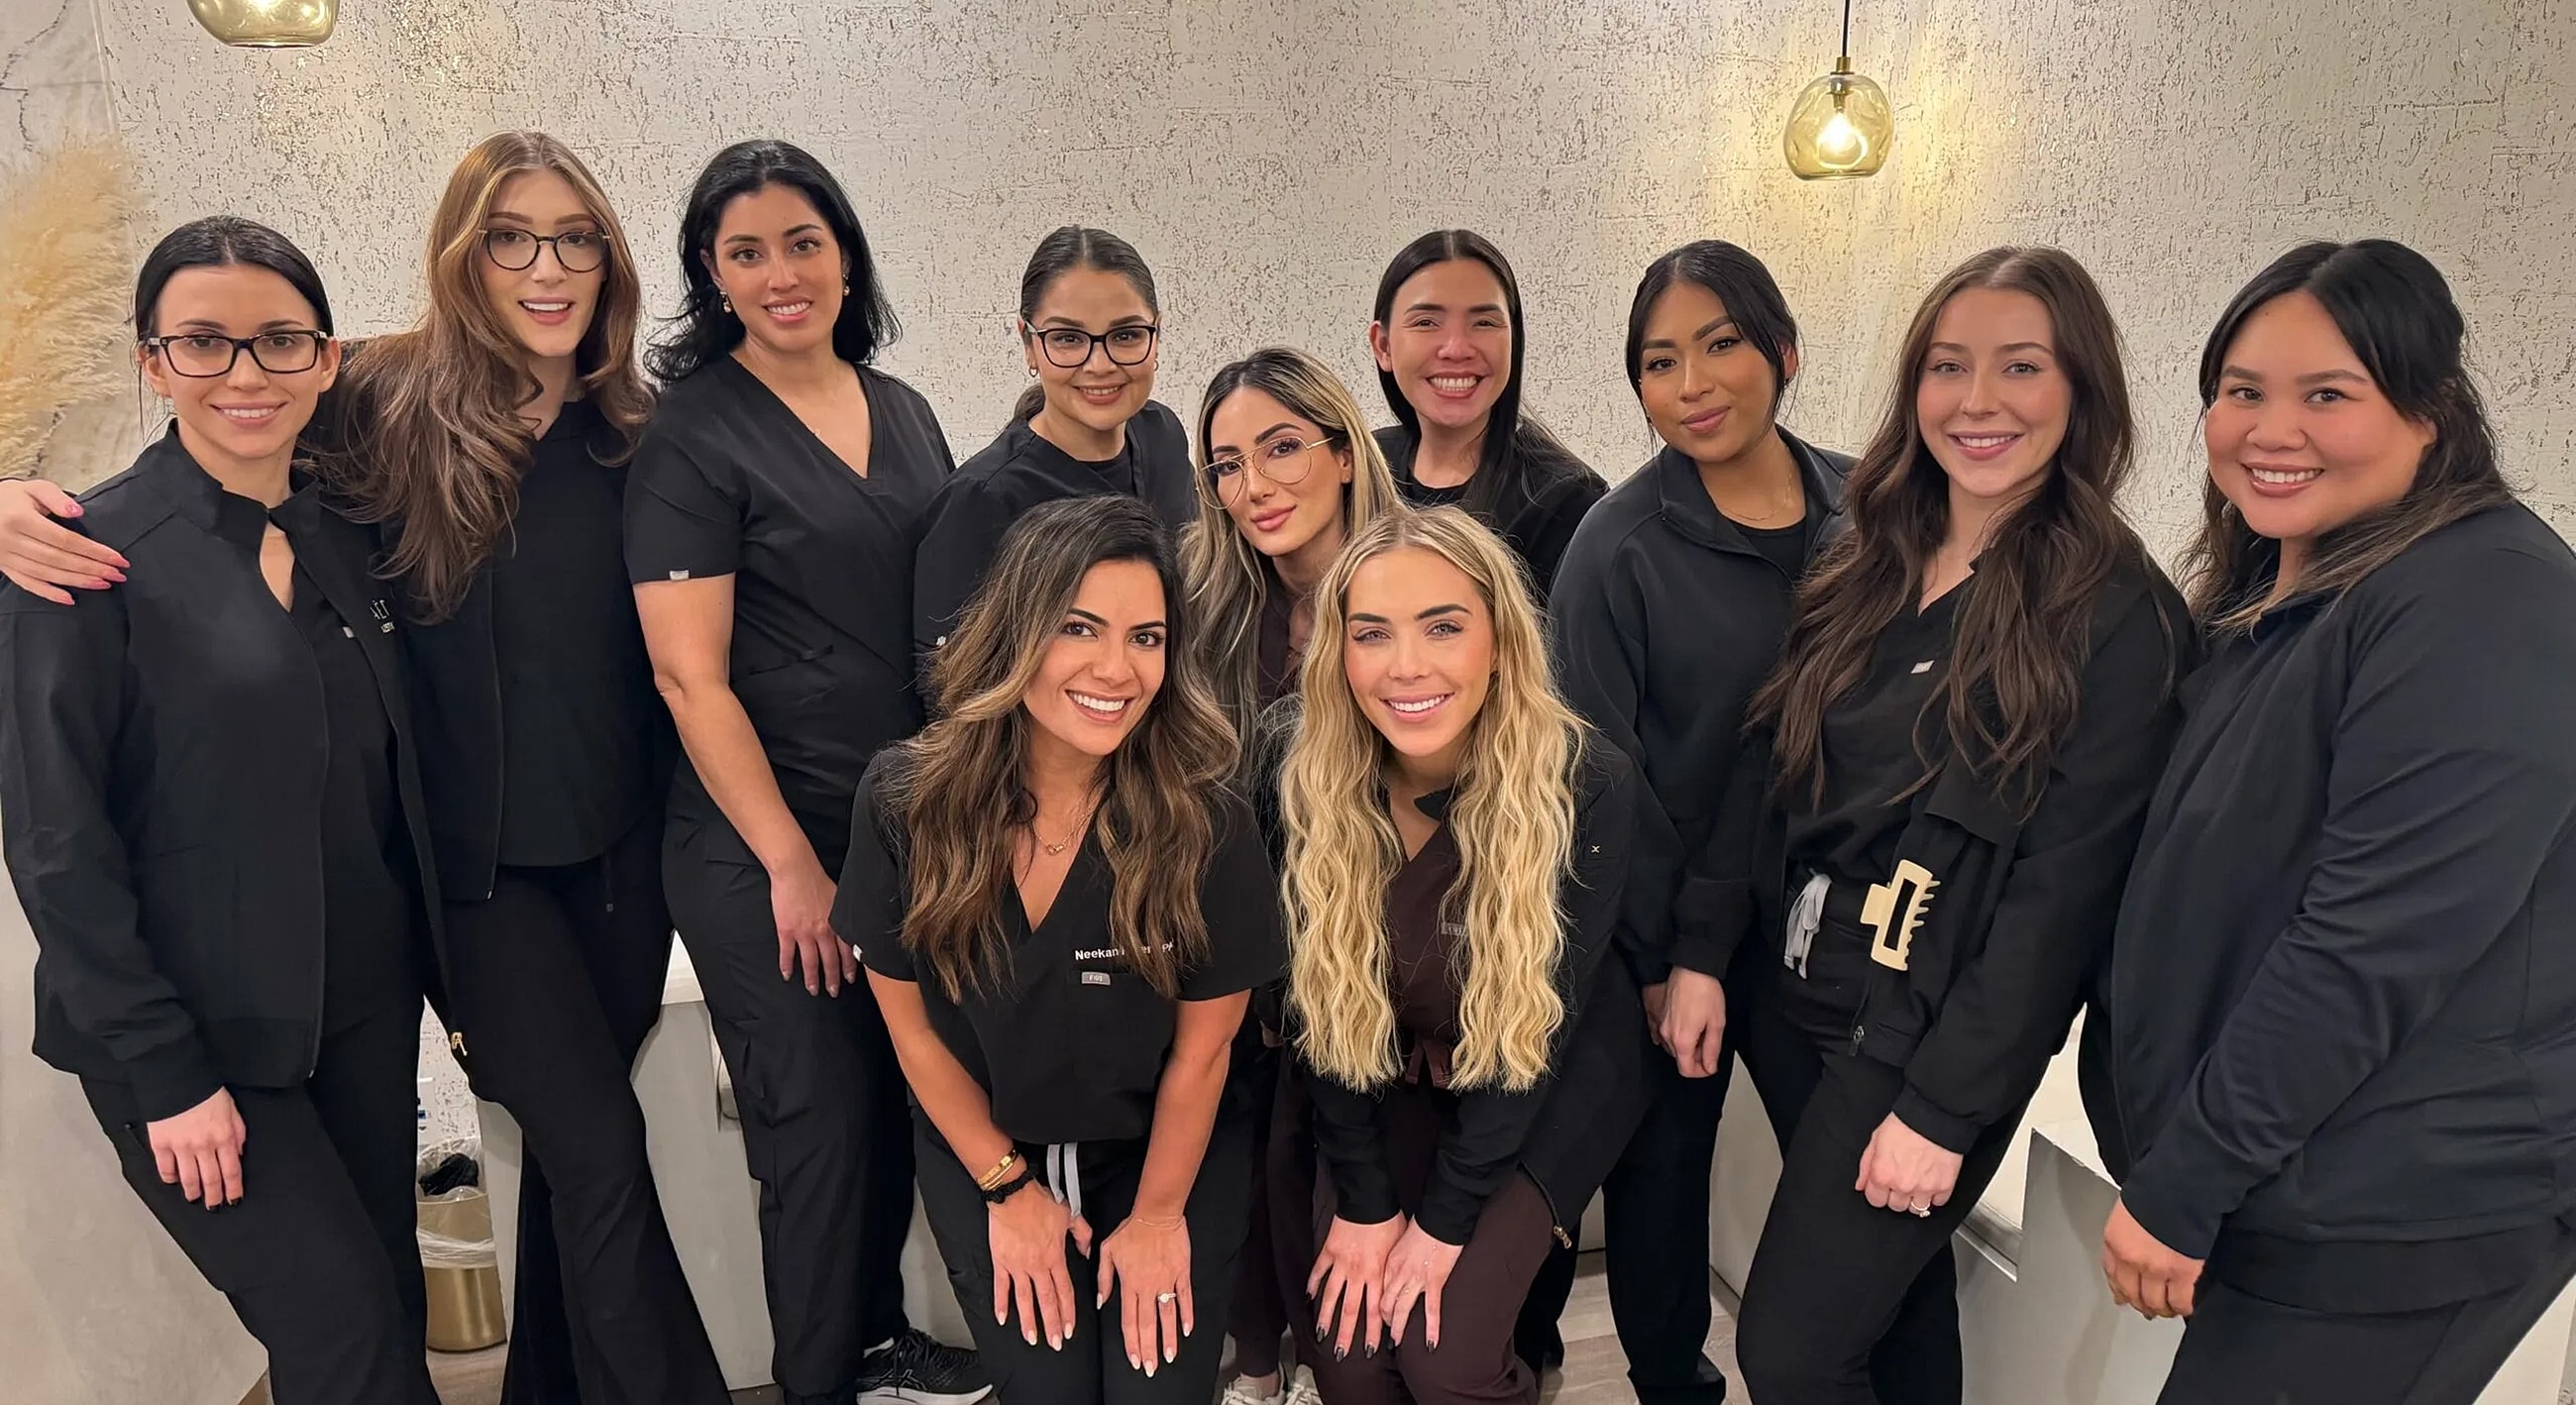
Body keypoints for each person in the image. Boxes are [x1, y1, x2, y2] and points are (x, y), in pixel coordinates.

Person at [0, 133, 730, 1404]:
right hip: (375, 940)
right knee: (524, 1210)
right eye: (510, 235)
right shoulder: (330, 432)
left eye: (575, 236)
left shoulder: (600, 442)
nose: (248, 371)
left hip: (508, 923)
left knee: (500, 1220)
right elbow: (58, 835)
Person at [2089, 239, 2576, 1405]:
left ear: (2428, 409)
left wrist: (2183, 1179)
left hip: (2394, 1212)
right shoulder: (2298, 585)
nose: (2269, 428)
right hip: (2300, 1179)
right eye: (2241, 391)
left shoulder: (2482, 597)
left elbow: (2372, 940)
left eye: (2326, 395)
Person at [1724, 247, 2192, 1405]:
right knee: (1889, 1311)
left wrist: (1936, 1109)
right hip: (1796, 996)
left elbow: (2056, 910)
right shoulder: (1869, 548)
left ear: (2079, 388)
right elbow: (1788, 778)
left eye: (2019, 367)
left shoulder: (2115, 615)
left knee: (1787, 1348)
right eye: (1947, 367)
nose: (1976, 402)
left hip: (1913, 1039)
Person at [0, 217, 442, 1404]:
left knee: (386, 1308)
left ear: (325, 359)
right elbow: (55, 845)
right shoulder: (81, 559)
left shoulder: (347, 530)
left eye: (277, 342)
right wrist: (165, 1075)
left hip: (354, 1010)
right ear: (153, 362)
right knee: (346, 1334)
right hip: (194, 1041)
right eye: (203, 343)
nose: (244, 375)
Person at [627, 140, 985, 1405]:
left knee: (895, 1095)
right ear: (710, 276)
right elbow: (689, 676)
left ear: (845, 254)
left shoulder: (901, 406)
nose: (780, 273)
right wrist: (791, 863)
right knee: (815, 1126)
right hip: (760, 846)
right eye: (744, 252)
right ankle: (819, 1379)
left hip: (900, 831)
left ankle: (879, 1335)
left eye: (802, 242)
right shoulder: (691, 436)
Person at [835, 494, 1284, 1404]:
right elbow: (914, 1034)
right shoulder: (906, 801)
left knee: (1153, 1392)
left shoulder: (1207, 819)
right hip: (995, 1148)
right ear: (1017, 629)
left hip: (1162, 1152)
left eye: (1147, 638)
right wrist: (1008, 1190)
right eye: (1080, 627)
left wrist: (1159, 1217)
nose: (1117, 669)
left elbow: (1204, 1054)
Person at [1547, 240, 1852, 1405]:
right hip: (1669, 939)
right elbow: (1597, 775)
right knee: (1661, 1179)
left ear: (1780, 349)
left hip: (1828, 929)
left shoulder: (1865, 504)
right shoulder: (1615, 548)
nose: (1691, 381)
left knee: (1843, 1179)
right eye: (1658, 359)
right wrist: (1667, 960)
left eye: (1719, 342)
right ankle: (1671, 1382)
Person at [1276, 506, 1648, 1405]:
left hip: (1541, 1081)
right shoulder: (1296, 770)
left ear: (1500, 640)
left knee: (1444, 1356)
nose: (1407, 666)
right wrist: (1367, 1205)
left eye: (1443, 625)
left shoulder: (1583, 783)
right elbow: (1319, 1021)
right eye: (1373, 634)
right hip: (1388, 1069)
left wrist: (1440, 1226)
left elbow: (1538, 1042)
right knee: (1354, 1357)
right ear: (1339, 654)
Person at [1177, 347, 1402, 1405]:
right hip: (1247, 944)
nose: (1253, 485)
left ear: (1343, 450)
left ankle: (1333, 1360)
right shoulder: (1211, 609)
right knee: (1246, 1156)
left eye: (1278, 448)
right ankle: (1258, 1368)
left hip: (1393, 951)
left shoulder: (1420, 583)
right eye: (1225, 464)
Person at [912, 226, 1196, 671]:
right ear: (1029, 343)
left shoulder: (1163, 435)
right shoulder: (983, 499)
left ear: (1156, 334)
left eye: (1125, 336)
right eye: (1067, 339)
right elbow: (946, 686)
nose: (1099, 365)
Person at [1366, 230, 1604, 600]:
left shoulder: (1565, 501)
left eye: (1485, 322)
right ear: (1383, 346)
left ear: (1514, 340)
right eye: (1427, 322)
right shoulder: (1366, 465)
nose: (1456, 348)